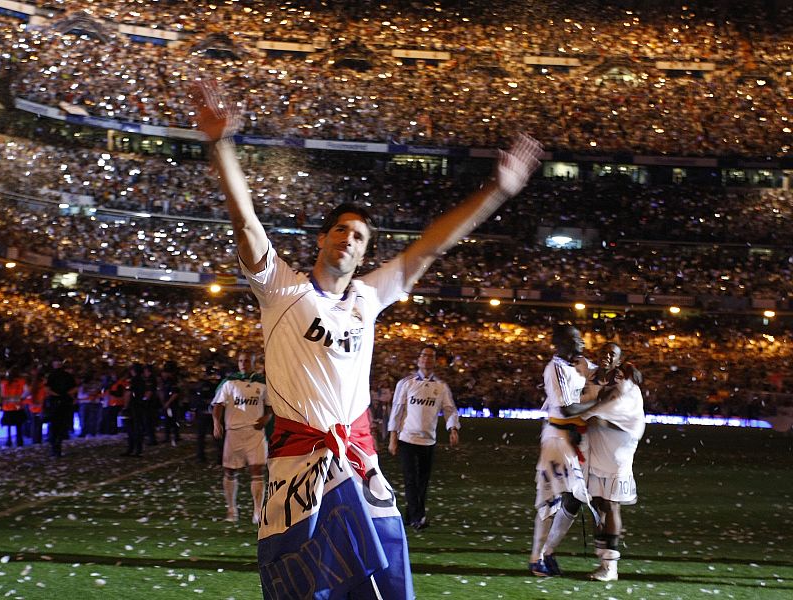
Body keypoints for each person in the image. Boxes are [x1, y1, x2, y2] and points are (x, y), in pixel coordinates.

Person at [192, 78, 542, 599]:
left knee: (378, 589)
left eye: (359, 236)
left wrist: (498, 190)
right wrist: (220, 143)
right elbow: (245, 223)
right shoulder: (281, 288)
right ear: (322, 238)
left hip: (359, 464)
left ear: (362, 253)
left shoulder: (368, 297)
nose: (348, 238)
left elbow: (430, 247)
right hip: (296, 465)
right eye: (340, 230)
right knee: (303, 589)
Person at [529, 324, 601, 577]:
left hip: (576, 439)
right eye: (575, 339)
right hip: (557, 439)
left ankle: (547, 552)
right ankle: (536, 557)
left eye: (581, 338)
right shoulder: (555, 368)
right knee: (551, 499)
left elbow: (604, 378)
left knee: (574, 498)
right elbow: (567, 409)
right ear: (560, 344)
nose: (581, 343)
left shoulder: (579, 364)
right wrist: (598, 403)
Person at [583, 342, 645, 582]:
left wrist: (585, 413)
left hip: (618, 446)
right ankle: (603, 558)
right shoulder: (594, 376)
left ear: (620, 360)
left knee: (611, 503)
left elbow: (610, 402)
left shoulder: (623, 380)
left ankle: (611, 566)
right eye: (604, 352)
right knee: (597, 502)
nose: (607, 356)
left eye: (613, 354)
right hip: (598, 447)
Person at [388, 346, 460, 530]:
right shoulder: (406, 383)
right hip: (407, 439)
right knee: (411, 479)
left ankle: (410, 514)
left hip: (428, 440)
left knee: (422, 481)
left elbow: (449, 409)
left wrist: (453, 428)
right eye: (424, 355)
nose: (427, 359)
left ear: (435, 361)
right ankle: (418, 517)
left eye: (431, 356)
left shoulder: (441, 387)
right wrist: (393, 436)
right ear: (418, 359)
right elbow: (397, 410)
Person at [211, 351, 272, 524]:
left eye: (246, 361)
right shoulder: (229, 382)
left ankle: (258, 512)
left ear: (253, 362)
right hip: (234, 433)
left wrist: (266, 418)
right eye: (240, 361)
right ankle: (231, 510)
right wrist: (217, 423)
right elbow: (218, 404)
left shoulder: (262, 382)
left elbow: (270, 406)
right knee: (230, 471)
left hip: (255, 433)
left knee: (257, 471)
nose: (243, 364)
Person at [44, 359, 77, 458]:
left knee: (54, 425)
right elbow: (74, 388)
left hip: (55, 402)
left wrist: (57, 395)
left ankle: (55, 447)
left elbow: (47, 389)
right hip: (65, 402)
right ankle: (59, 443)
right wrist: (66, 395)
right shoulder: (68, 376)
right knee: (62, 424)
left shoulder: (51, 376)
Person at [191, 364, 223, 464]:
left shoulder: (218, 385)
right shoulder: (203, 385)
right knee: (201, 437)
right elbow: (198, 399)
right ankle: (201, 457)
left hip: (213, 414)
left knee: (217, 437)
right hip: (204, 413)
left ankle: (220, 457)